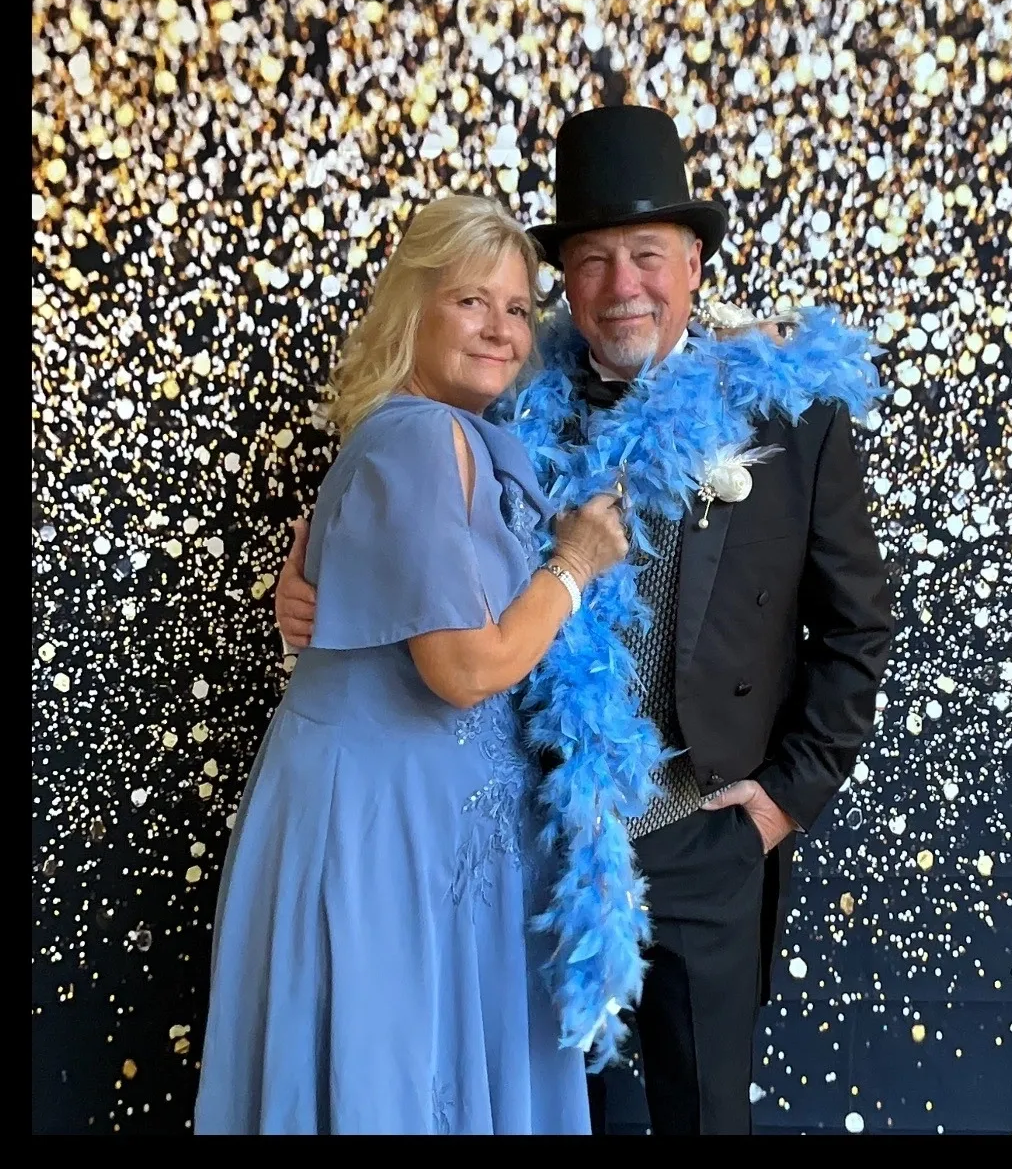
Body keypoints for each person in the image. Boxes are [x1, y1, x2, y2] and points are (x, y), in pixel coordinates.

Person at [276, 106, 894, 1135]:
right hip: (539, 835)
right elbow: (398, 506)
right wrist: (307, 570)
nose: (622, 288)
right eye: (593, 261)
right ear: (564, 278)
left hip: (706, 832)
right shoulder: (497, 401)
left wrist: (783, 801)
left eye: (646, 255)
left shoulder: (791, 417)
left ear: (692, 262)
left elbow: (856, 627)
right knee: (554, 1118)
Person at [195, 193, 629, 1135]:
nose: (499, 328)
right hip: (392, 833)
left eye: (517, 309)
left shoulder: (442, 438)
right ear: (413, 308)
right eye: (470, 300)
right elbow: (465, 668)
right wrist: (575, 567)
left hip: (418, 824)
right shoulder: (425, 438)